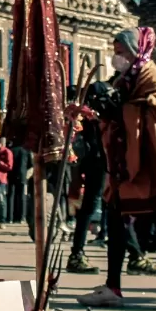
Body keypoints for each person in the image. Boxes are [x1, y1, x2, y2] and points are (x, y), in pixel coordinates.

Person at [77, 27, 156, 311]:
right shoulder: (125, 80)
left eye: (120, 52)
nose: (116, 58)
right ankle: (112, 287)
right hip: (125, 167)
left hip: (151, 165)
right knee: (116, 225)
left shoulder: (154, 78)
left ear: (137, 49)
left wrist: (122, 110)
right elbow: (117, 112)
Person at [67, 93, 109, 273]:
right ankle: (77, 253)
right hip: (97, 162)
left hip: (94, 162)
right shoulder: (89, 116)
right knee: (94, 206)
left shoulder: (86, 116)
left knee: (99, 206)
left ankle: (135, 253)